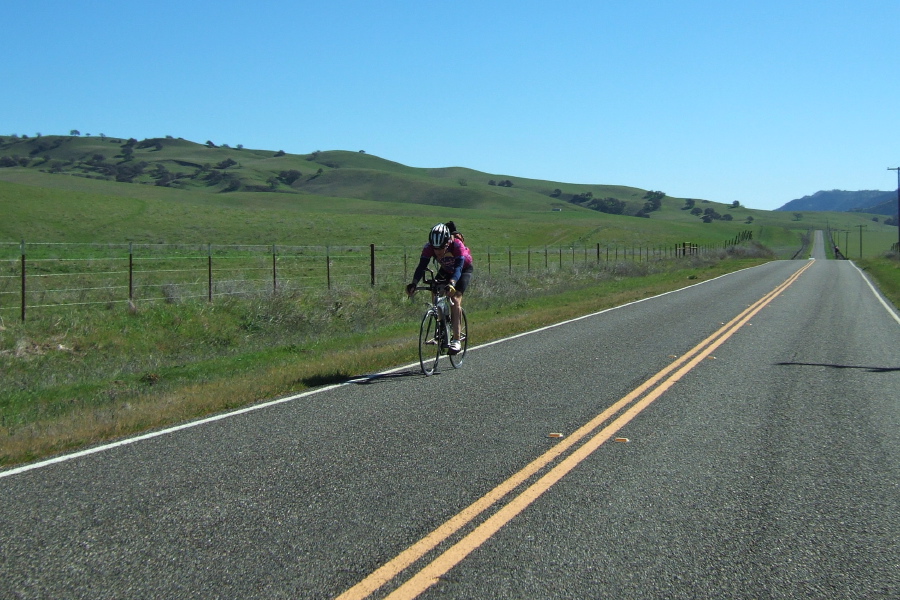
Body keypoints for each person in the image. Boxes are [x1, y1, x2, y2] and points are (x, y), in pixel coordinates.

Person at [406, 222, 473, 353]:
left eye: (441, 248)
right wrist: (413, 283)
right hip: (446, 270)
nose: (438, 252)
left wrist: (452, 283)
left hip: (463, 270)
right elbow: (421, 267)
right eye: (435, 249)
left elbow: (458, 268)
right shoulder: (429, 247)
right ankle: (442, 324)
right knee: (435, 290)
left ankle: (456, 340)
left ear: (447, 243)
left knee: (455, 300)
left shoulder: (457, 245)